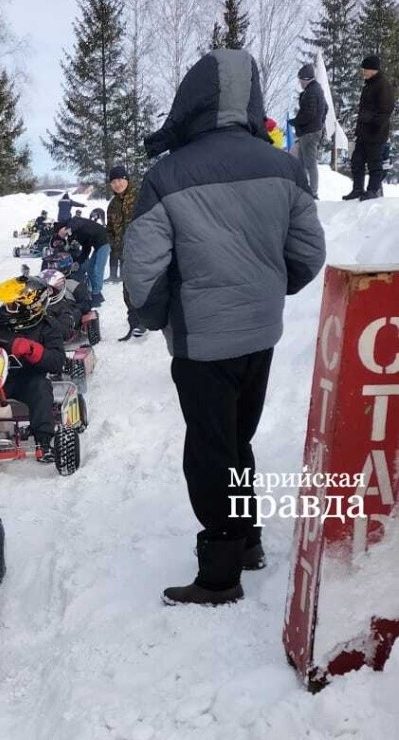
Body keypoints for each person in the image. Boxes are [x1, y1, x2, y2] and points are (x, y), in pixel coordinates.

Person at [124, 48, 326, 606]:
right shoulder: (284, 167)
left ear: (192, 100)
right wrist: (268, 289)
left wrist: (155, 316)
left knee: (210, 451)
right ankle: (249, 540)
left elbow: (142, 272)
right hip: (260, 333)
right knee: (238, 440)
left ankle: (220, 574)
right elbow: (309, 254)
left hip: (203, 340)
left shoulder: (168, 175)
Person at [0, 277, 66, 462]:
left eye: (12, 305)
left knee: (41, 388)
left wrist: (33, 350)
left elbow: (57, 361)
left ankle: (43, 443)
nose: (7, 307)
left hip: (25, 380)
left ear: (30, 307)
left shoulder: (48, 327)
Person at [343, 55, 396, 201]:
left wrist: (372, 121)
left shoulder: (383, 85)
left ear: (373, 70)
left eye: (365, 69)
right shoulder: (369, 84)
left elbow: (386, 109)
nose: (363, 72)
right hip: (363, 133)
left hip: (376, 133)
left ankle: (373, 189)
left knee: (374, 163)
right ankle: (357, 189)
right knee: (357, 161)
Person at [52, 217, 110, 308]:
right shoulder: (75, 235)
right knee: (90, 268)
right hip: (97, 245)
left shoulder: (73, 221)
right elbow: (86, 248)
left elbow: (76, 224)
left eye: (61, 234)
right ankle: (96, 293)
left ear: (62, 228)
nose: (64, 236)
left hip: (104, 241)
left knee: (98, 269)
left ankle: (96, 295)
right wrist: (78, 262)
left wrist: (68, 229)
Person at [288, 64, 327, 199]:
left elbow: (309, 113)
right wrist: (320, 122)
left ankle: (313, 192)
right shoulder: (317, 90)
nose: (300, 83)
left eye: (300, 80)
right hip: (311, 131)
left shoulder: (311, 92)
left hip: (309, 132)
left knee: (309, 163)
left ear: (305, 79)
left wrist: (296, 121)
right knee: (301, 162)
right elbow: (325, 108)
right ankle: (304, 189)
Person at [106, 165, 138, 283]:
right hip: (123, 254)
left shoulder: (140, 196)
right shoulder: (113, 204)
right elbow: (109, 228)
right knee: (128, 287)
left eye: (119, 180)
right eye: (113, 182)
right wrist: (114, 246)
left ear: (127, 179)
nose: (117, 184)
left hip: (142, 253)